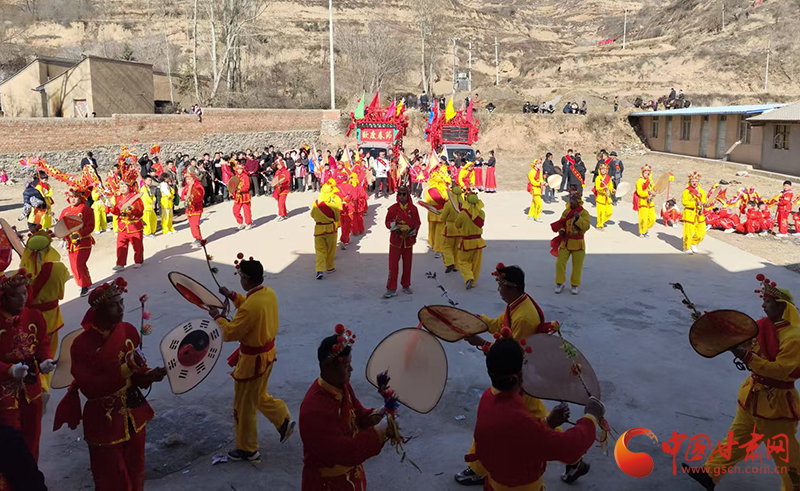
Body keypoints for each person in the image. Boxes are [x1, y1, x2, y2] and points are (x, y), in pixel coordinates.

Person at [684, 276, 800, 491]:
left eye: (768, 302)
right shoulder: (764, 325)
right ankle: (709, 475)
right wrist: (712, 328)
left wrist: (746, 357)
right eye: (763, 301)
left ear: (781, 305)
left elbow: (780, 370)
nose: (763, 305)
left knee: (787, 457)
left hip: (776, 406)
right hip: (752, 396)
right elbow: (744, 340)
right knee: (736, 440)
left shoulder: (794, 337)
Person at [53, 277, 167, 490]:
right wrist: (127, 369)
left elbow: (138, 371)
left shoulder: (129, 330)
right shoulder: (81, 345)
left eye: (121, 302)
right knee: (112, 476)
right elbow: (90, 388)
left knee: (137, 469)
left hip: (133, 412)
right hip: (104, 419)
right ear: (99, 310)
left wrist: (150, 374)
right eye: (114, 305)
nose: (121, 309)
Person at [467, 335, 603, 491]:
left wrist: (547, 423)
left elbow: (516, 439)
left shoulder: (488, 397)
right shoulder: (517, 420)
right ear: (517, 376)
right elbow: (569, 447)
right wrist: (590, 417)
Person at [208, 259, 296, 461]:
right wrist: (232, 295)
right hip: (267, 354)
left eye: (240, 277)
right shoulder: (268, 293)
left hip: (252, 361)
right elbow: (249, 306)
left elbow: (230, 333)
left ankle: (248, 448)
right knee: (258, 395)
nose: (240, 280)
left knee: (244, 405)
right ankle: (282, 419)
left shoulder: (250, 307)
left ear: (247, 279)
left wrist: (217, 317)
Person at [299, 326, 394, 490]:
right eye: (347, 366)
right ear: (330, 368)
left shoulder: (342, 386)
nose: (351, 369)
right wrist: (380, 431)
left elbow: (358, 414)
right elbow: (344, 452)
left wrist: (379, 414)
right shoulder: (314, 410)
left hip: (352, 478)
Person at [0, 269, 53, 462]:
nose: (22, 298)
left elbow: (42, 343)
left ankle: (31, 473)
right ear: (4, 297)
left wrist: (45, 360)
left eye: (24, 293)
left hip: (32, 387)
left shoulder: (34, 316)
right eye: (16, 295)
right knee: (11, 441)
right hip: (4, 392)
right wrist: (9, 370)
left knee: (33, 435)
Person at [384, 186, 421, 298]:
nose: (401, 196)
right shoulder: (392, 209)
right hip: (396, 241)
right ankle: (391, 288)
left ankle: (406, 284)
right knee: (393, 266)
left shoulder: (413, 209)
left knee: (407, 265)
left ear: (407, 195)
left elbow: (417, 223)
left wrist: (412, 232)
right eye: (399, 194)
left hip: (408, 241)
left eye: (404, 194)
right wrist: (394, 225)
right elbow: (387, 222)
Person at [59, 187, 95, 297]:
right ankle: (84, 282)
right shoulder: (65, 211)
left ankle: (84, 286)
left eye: (75, 197)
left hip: (83, 242)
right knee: (74, 266)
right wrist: (61, 235)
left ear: (80, 198)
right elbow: (61, 225)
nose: (73, 199)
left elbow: (90, 226)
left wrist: (80, 234)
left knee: (79, 263)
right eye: (71, 197)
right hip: (70, 243)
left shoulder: (86, 210)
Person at [553, 192, 590, 295]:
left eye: (573, 200)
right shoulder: (566, 212)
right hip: (565, 242)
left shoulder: (584, 213)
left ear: (578, 202)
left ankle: (575, 285)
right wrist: (561, 230)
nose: (571, 202)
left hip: (578, 243)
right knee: (560, 263)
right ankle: (559, 283)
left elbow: (586, 227)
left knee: (577, 266)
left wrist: (578, 219)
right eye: (570, 200)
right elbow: (561, 223)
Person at [111, 179, 145, 271]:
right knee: (121, 244)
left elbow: (140, 211)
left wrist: (132, 209)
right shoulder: (118, 198)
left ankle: (138, 261)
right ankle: (120, 263)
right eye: (121, 187)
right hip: (122, 225)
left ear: (129, 187)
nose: (122, 189)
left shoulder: (135, 198)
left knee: (137, 244)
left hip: (134, 225)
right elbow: (116, 212)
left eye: (124, 186)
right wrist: (111, 207)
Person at [456, 190, 486, 290]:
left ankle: (469, 277)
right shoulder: (481, 213)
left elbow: (457, 224)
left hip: (466, 242)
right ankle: (473, 282)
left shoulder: (463, 214)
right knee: (476, 264)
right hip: (478, 242)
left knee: (462, 261)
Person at [311, 184, 341, 280]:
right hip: (331, 229)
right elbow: (337, 217)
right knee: (331, 249)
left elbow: (312, 214)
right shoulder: (333, 204)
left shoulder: (315, 203)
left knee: (320, 250)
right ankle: (330, 267)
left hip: (319, 229)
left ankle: (319, 270)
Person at [424, 166, 449, 259]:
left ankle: (432, 244)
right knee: (439, 232)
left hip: (431, 212)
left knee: (432, 230)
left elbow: (427, 200)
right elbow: (446, 199)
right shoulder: (443, 189)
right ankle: (438, 249)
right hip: (440, 213)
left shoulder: (429, 189)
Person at [682, 172, 709, 254]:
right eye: (692, 181)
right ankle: (686, 247)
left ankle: (694, 243)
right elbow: (684, 202)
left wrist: (706, 204)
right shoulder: (686, 191)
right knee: (688, 232)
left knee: (702, 231)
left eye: (696, 181)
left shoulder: (702, 191)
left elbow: (704, 201)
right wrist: (695, 203)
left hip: (700, 214)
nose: (694, 183)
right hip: (690, 214)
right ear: (689, 182)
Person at [440, 185, 463, 274]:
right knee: (456, 248)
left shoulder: (449, 204)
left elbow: (443, 217)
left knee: (446, 247)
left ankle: (450, 263)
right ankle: (456, 266)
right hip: (460, 228)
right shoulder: (464, 204)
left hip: (450, 228)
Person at [181, 172, 205, 247]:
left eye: (189, 179)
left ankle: (199, 238)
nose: (188, 181)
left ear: (193, 179)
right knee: (191, 225)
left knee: (195, 224)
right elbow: (183, 196)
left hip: (196, 208)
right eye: (187, 179)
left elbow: (199, 197)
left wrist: (191, 198)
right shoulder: (186, 187)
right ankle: (196, 237)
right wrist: (185, 198)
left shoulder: (198, 186)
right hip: (189, 209)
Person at [633, 165, 657, 237]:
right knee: (643, 218)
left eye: (648, 173)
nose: (647, 174)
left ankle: (646, 228)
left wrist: (654, 193)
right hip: (642, 202)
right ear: (642, 173)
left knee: (653, 218)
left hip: (650, 202)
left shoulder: (651, 182)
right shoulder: (639, 181)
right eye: (645, 173)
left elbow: (653, 190)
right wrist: (648, 193)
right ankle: (643, 232)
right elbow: (640, 192)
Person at [232, 162, 253, 230]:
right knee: (235, 210)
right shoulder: (235, 177)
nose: (239, 170)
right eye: (238, 169)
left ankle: (248, 223)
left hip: (245, 196)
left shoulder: (245, 177)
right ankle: (240, 223)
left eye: (240, 169)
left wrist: (240, 189)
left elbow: (247, 187)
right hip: (238, 196)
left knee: (246, 211)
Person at [593, 162, 614, 230]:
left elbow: (610, 187)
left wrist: (612, 190)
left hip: (607, 198)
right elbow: (597, 188)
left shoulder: (608, 178)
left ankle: (602, 221)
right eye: (602, 169)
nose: (603, 170)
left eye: (604, 169)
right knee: (600, 213)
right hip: (600, 198)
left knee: (609, 212)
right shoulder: (598, 178)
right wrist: (603, 188)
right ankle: (599, 225)